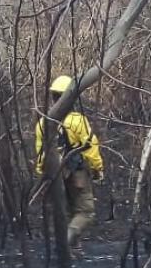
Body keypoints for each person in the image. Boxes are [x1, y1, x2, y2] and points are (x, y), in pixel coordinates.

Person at [34, 75, 104, 248]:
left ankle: (72, 252)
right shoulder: (78, 120)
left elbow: (40, 151)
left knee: (66, 213)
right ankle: (66, 244)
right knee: (85, 212)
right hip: (77, 172)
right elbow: (91, 147)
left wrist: (42, 172)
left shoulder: (43, 122)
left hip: (54, 174)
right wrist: (97, 169)